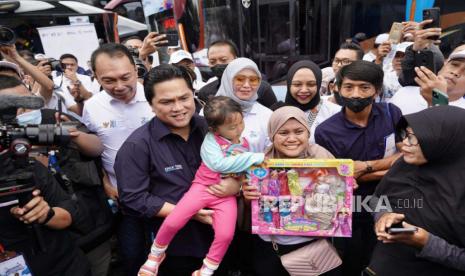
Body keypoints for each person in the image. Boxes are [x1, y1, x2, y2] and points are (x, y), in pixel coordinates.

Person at [115, 64, 241, 275]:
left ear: (193, 95)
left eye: (184, 98)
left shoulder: (211, 129)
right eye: (167, 102)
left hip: (220, 244)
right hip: (177, 249)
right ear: (151, 105)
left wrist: (235, 185)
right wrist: (189, 212)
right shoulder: (137, 146)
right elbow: (132, 198)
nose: (178, 107)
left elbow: (239, 163)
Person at [139, 96, 264, 276]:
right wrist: (255, 157)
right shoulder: (211, 141)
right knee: (175, 219)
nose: (239, 129)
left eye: (241, 122)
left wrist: (240, 186)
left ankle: (208, 268)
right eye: (232, 127)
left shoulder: (243, 143)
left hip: (225, 196)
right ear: (214, 129)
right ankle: (156, 254)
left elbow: (244, 171)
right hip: (202, 188)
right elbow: (218, 164)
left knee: (226, 234)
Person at [314, 61, 403, 276]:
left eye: (364, 87)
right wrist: (390, 167)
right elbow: (340, 178)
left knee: (388, 260)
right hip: (349, 207)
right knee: (351, 261)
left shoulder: (392, 113)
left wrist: (365, 166)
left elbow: (406, 156)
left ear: (377, 90)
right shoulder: (326, 131)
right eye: (349, 86)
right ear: (337, 88)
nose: (355, 94)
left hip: (391, 201)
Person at [0, 75, 91, 276]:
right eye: (9, 110)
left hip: (66, 265)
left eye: (25, 105)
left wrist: (46, 214)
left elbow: (68, 215)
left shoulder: (29, 154)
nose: (22, 115)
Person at [82, 43, 154, 275]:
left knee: (166, 254)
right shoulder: (92, 107)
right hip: (122, 199)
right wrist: (104, 182)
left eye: (125, 77)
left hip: (162, 194)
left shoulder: (156, 97)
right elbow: (92, 151)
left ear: (136, 69)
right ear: (96, 77)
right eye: (109, 80)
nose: (120, 86)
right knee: (131, 255)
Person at [368, 106, 465, 275]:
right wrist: (383, 215)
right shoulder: (404, 166)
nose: (405, 143)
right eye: (405, 134)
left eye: (414, 138)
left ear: (444, 142)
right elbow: (375, 199)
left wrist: (425, 242)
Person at [242, 106, 336, 276]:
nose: (292, 138)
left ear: (307, 133)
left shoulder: (322, 156)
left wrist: (344, 187)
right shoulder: (261, 163)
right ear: (272, 135)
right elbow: (253, 209)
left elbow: (337, 198)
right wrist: (249, 197)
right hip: (271, 245)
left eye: (299, 131)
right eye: (283, 133)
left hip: (312, 244)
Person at [271, 60, 341, 142]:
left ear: (318, 85)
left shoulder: (335, 113)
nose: (304, 90)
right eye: (297, 84)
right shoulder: (275, 113)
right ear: (289, 85)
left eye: (311, 84)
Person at [197, 40, 277, 109]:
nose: (218, 64)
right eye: (212, 61)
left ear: (235, 59)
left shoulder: (262, 88)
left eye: (223, 60)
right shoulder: (205, 92)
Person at [391, 48, 465, 115]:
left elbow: (441, 128)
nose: (456, 72)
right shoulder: (404, 92)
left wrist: (439, 99)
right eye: (455, 64)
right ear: (443, 66)